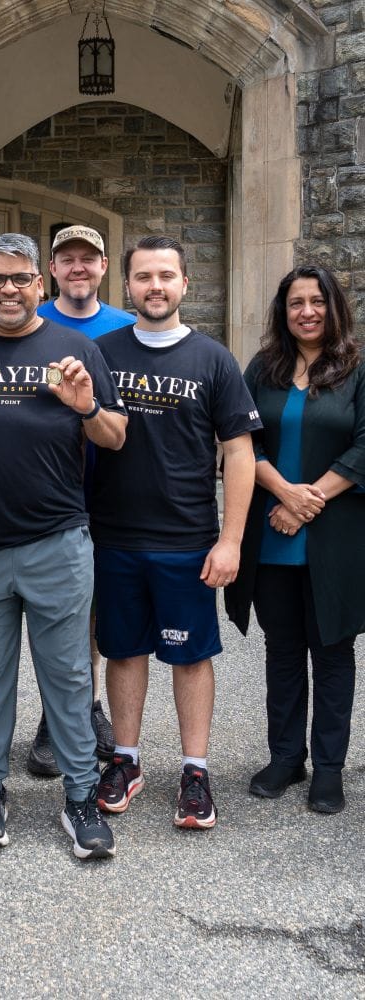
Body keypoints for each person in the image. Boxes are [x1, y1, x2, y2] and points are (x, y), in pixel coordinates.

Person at [0, 233, 127, 859]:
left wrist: (86, 405)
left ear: (40, 285)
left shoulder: (76, 348)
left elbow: (116, 435)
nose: (9, 289)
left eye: (21, 279)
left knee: (67, 676)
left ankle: (80, 798)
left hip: (58, 542)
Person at [92, 235, 259, 830]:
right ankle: (127, 760)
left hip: (187, 537)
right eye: (143, 277)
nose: (155, 286)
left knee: (190, 657)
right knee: (124, 649)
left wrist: (231, 538)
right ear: (128, 286)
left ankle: (195, 770)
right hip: (113, 535)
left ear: (185, 284)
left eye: (166, 276)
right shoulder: (102, 352)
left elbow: (238, 452)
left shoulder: (213, 359)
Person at [226, 265, 365, 814]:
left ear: (334, 307)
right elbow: (239, 439)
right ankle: (286, 756)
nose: (306, 312)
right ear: (282, 313)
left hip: (335, 538)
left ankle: (329, 769)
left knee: (333, 653)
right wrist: (285, 493)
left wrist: (309, 502)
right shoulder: (264, 368)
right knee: (282, 651)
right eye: (295, 303)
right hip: (274, 534)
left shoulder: (358, 369)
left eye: (317, 302)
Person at [27, 224, 136, 776]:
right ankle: (57, 713)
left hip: (109, 487)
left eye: (87, 259)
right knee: (56, 610)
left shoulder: (125, 328)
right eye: (66, 259)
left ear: (103, 266)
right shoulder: (32, 320)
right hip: (48, 491)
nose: (77, 267)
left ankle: (85, 707)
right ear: (52, 269)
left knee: (89, 609)